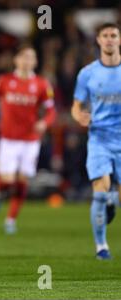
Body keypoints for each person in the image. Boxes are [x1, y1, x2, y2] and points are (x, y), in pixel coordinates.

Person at [0, 44, 56, 235]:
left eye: (31, 57)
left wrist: (44, 123)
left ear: (35, 62)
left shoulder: (42, 84)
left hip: (30, 139)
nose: (27, 61)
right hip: (8, 139)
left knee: (23, 180)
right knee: (7, 180)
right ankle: (0, 192)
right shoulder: (4, 81)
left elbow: (51, 111)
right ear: (16, 60)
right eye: (23, 57)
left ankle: (11, 219)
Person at [71, 22, 121, 260]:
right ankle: (101, 246)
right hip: (99, 138)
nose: (110, 39)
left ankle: (113, 199)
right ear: (99, 40)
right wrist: (79, 116)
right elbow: (76, 106)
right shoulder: (88, 73)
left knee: (114, 197)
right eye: (105, 35)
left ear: (119, 40)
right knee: (99, 192)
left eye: (114, 35)